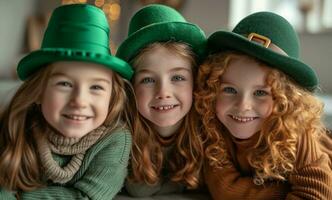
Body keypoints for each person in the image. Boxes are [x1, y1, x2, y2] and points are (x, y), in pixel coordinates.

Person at [0, 4, 133, 200]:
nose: (80, 100)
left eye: (96, 87)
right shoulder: (17, 124)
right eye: (64, 84)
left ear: (111, 97)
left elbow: (87, 197)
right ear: (38, 92)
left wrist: (21, 196)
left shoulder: (115, 140)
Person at [195, 12, 332, 200]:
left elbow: (315, 194)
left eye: (260, 93)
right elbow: (225, 191)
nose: (243, 106)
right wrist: (285, 192)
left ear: (286, 100)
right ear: (212, 89)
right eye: (229, 90)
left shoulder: (297, 130)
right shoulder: (212, 129)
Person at [116, 4, 206, 197]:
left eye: (177, 78)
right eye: (148, 80)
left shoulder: (209, 132)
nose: (163, 93)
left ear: (196, 81)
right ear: (130, 87)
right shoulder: (118, 135)